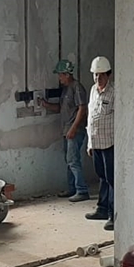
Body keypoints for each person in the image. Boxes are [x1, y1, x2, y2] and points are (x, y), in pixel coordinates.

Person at [38, 59, 90, 202]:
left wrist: (73, 128)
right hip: (67, 130)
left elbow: (82, 109)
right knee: (69, 160)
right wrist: (46, 105)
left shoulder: (77, 87)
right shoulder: (66, 89)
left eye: (60, 75)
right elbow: (62, 108)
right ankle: (72, 188)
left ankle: (82, 190)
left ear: (67, 74)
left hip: (74, 130)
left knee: (73, 160)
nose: (59, 78)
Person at [85, 56, 115, 231]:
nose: (98, 78)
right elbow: (91, 117)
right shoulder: (93, 90)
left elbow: (120, 118)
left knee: (112, 179)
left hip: (110, 143)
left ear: (108, 75)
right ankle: (102, 209)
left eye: (102, 75)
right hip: (96, 142)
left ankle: (113, 214)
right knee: (102, 177)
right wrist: (90, 143)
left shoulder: (114, 92)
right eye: (96, 75)